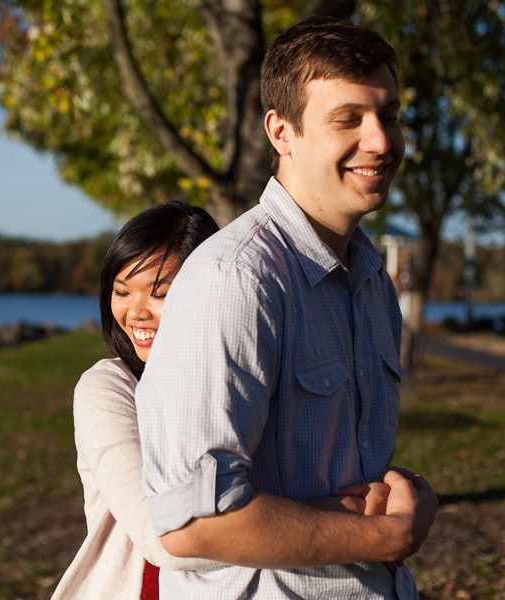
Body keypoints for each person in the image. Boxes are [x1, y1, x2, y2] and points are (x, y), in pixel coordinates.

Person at [136, 16, 438, 600]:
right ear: (282, 132)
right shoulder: (235, 280)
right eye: (347, 118)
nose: (381, 140)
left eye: (390, 115)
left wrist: (400, 498)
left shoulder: (372, 278)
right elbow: (191, 522)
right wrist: (383, 537)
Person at [52, 201, 377, 600]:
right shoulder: (108, 388)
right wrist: (359, 516)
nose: (135, 312)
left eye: (160, 294)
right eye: (121, 292)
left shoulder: (235, 379)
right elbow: (167, 534)